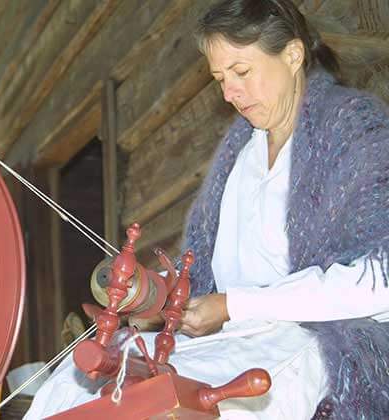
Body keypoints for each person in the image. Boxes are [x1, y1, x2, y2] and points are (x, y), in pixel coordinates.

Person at [25, 1, 389, 418]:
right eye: (220, 78)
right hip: (231, 338)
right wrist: (152, 297)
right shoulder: (241, 154)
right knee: (71, 388)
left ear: (292, 55)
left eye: (242, 72)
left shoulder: (354, 131)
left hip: (311, 341)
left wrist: (234, 306)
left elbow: (378, 283)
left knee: (173, 403)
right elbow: (201, 278)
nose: (229, 92)